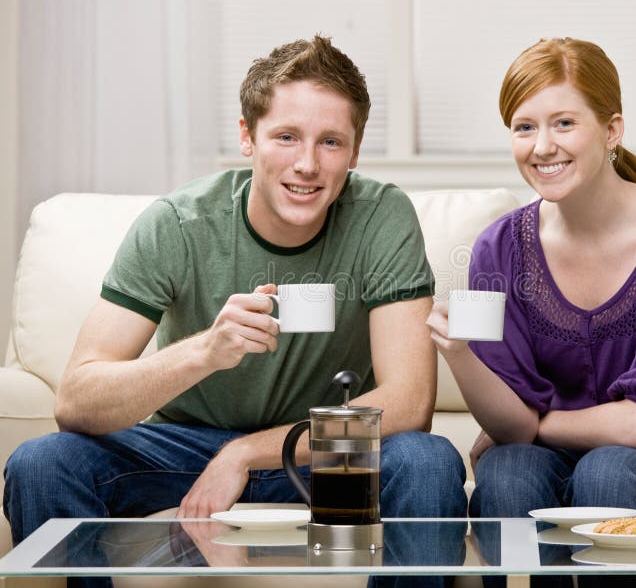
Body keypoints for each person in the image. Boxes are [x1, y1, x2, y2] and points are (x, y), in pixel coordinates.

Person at [4, 35, 467, 587]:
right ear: (247, 137)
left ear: (356, 150)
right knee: (40, 462)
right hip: (184, 445)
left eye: (331, 142)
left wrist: (246, 454)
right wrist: (204, 351)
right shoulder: (178, 225)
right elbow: (76, 401)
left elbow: (409, 401)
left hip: (325, 450)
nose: (307, 164)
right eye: (286, 137)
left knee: (428, 459)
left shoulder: (380, 217)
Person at [427, 37, 636, 587]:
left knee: (609, 471)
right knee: (507, 471)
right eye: (524, 127)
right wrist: (460, 356)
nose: (542, 146)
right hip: (563, 453)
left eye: (564, 123)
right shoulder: (499, 248)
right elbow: (508, 431)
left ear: (612, 130)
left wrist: (535, 425)